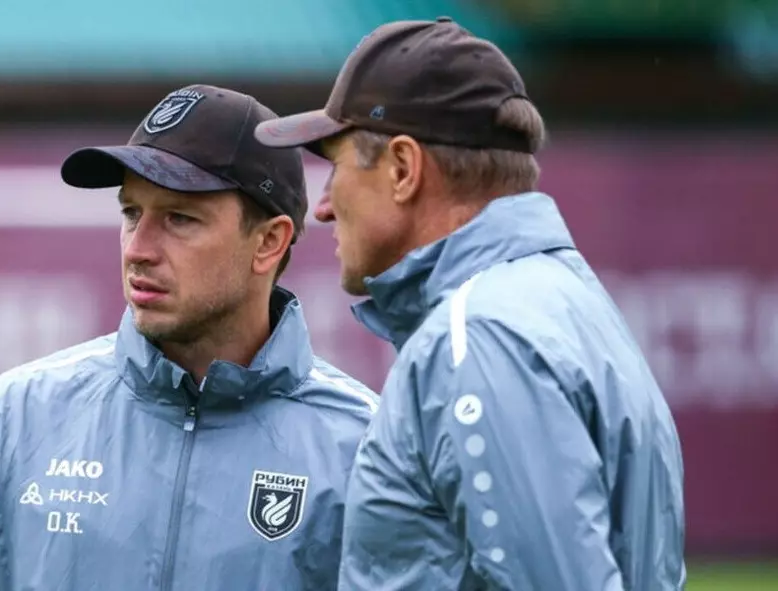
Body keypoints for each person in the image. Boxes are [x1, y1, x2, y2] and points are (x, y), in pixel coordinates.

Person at [255, 18, 686, 591]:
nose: (325, 206)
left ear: (403, 169)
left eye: (337, 166)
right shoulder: (566, 301)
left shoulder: (476, 339)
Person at [0, 84, 378, 591]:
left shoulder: (366, 447)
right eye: (131, 213)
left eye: (179, 218)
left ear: (268, 242)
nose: (138, 249)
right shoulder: (8, 420)